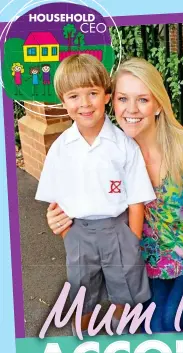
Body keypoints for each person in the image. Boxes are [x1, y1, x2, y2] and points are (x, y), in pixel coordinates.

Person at [46, 57, 183, 333]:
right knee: (150, 324)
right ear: (113, 102)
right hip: (147, 261)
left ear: (158, 104)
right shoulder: (111, 152)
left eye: (143, 100)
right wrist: (58, 220)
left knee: (173, 321)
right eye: (123, 99)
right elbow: (83, 203)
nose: (131, 110)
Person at [35, 54, 156, 334]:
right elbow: (55, 202)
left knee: (124, 290)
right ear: (63, 102)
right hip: (79, 232)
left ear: (106, 96)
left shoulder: (124, 146)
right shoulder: (61, 149)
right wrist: (69, 235)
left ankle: (120, 330)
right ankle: (83, 336)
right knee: (82, 296)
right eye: (74, 96)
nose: (85, 103)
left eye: (92, 93)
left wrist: (131, 241)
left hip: (118, 230)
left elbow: (137, 201)